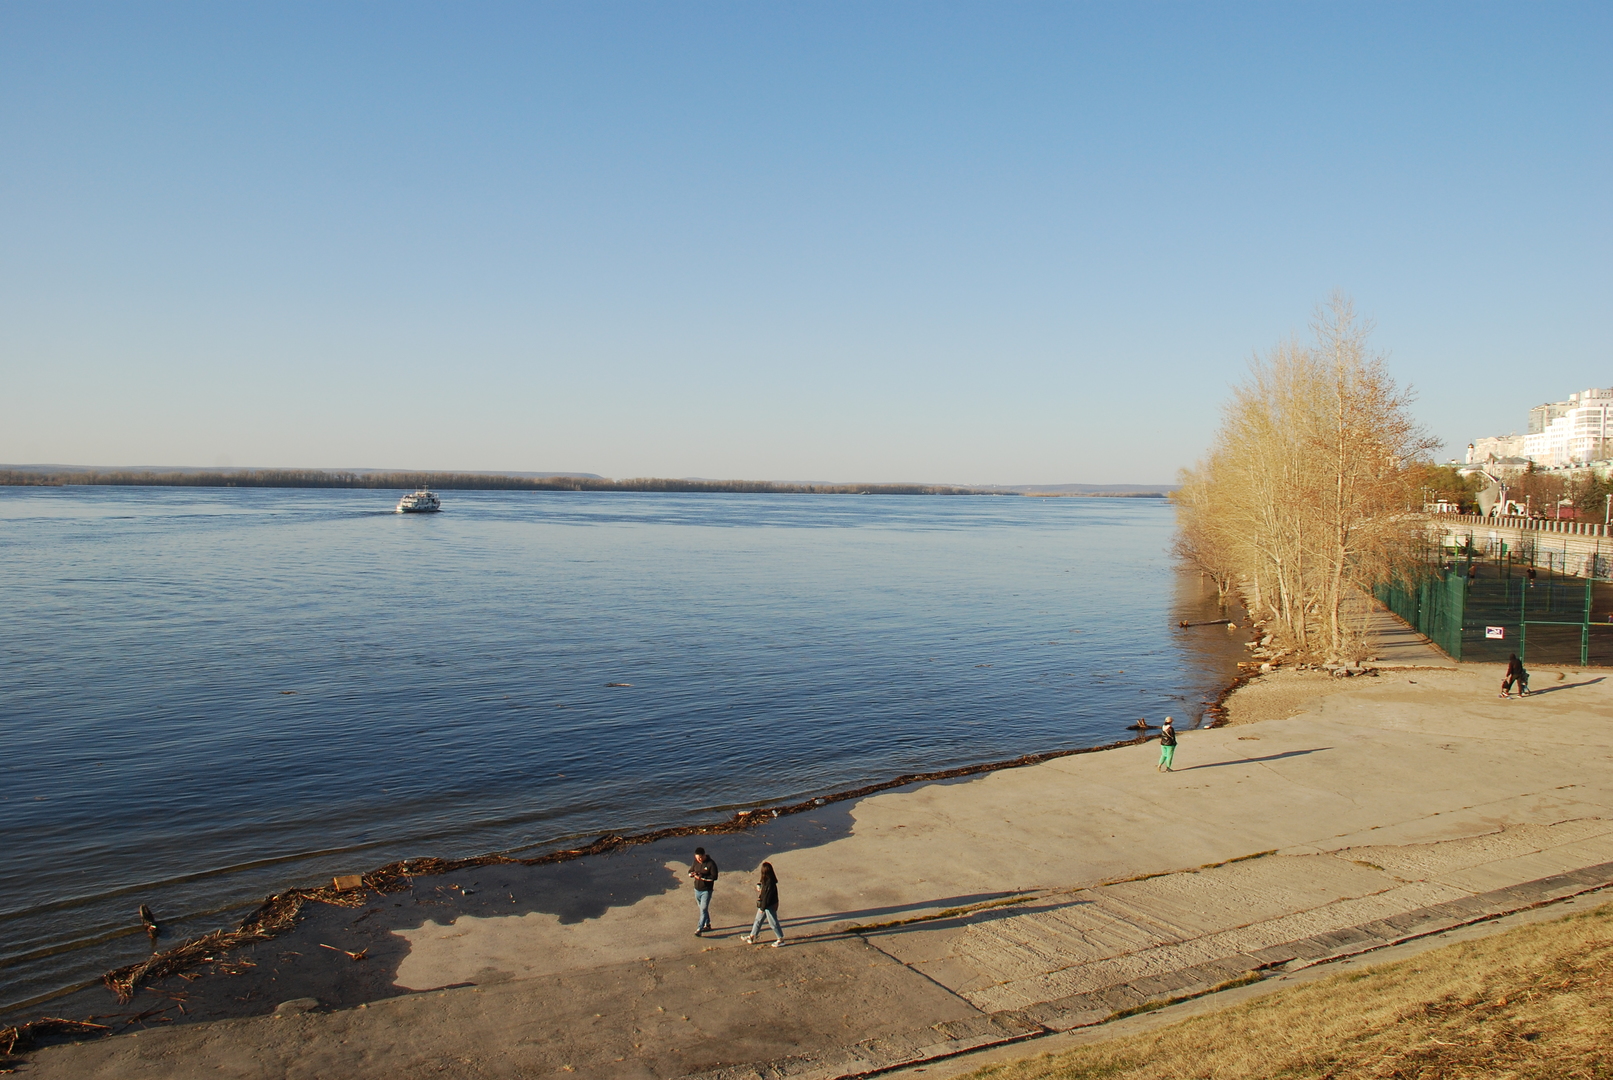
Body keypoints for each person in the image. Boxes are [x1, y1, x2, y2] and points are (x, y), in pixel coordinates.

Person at [744, 861, 785, 947]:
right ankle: (752, 936)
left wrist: (762, 908)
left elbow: (767, 898)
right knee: (758, 920)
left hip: (769, 905)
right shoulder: (768, 880)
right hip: (766, 904)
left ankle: (780, 939)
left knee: (773, 923)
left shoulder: (770, 883)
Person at [689, 847, 719, 935]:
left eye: (700, 858)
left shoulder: (711, 864)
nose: (699, 860)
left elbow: (714, 877)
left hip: (706, 891)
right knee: (703, 909)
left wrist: (702, 877)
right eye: (697, 858)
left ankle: (700, 928)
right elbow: (690, 870)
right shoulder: (695, 862)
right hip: (697, 889)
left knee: (703, 909)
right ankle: (707, 924)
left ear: (704, 855)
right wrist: (691, 874)